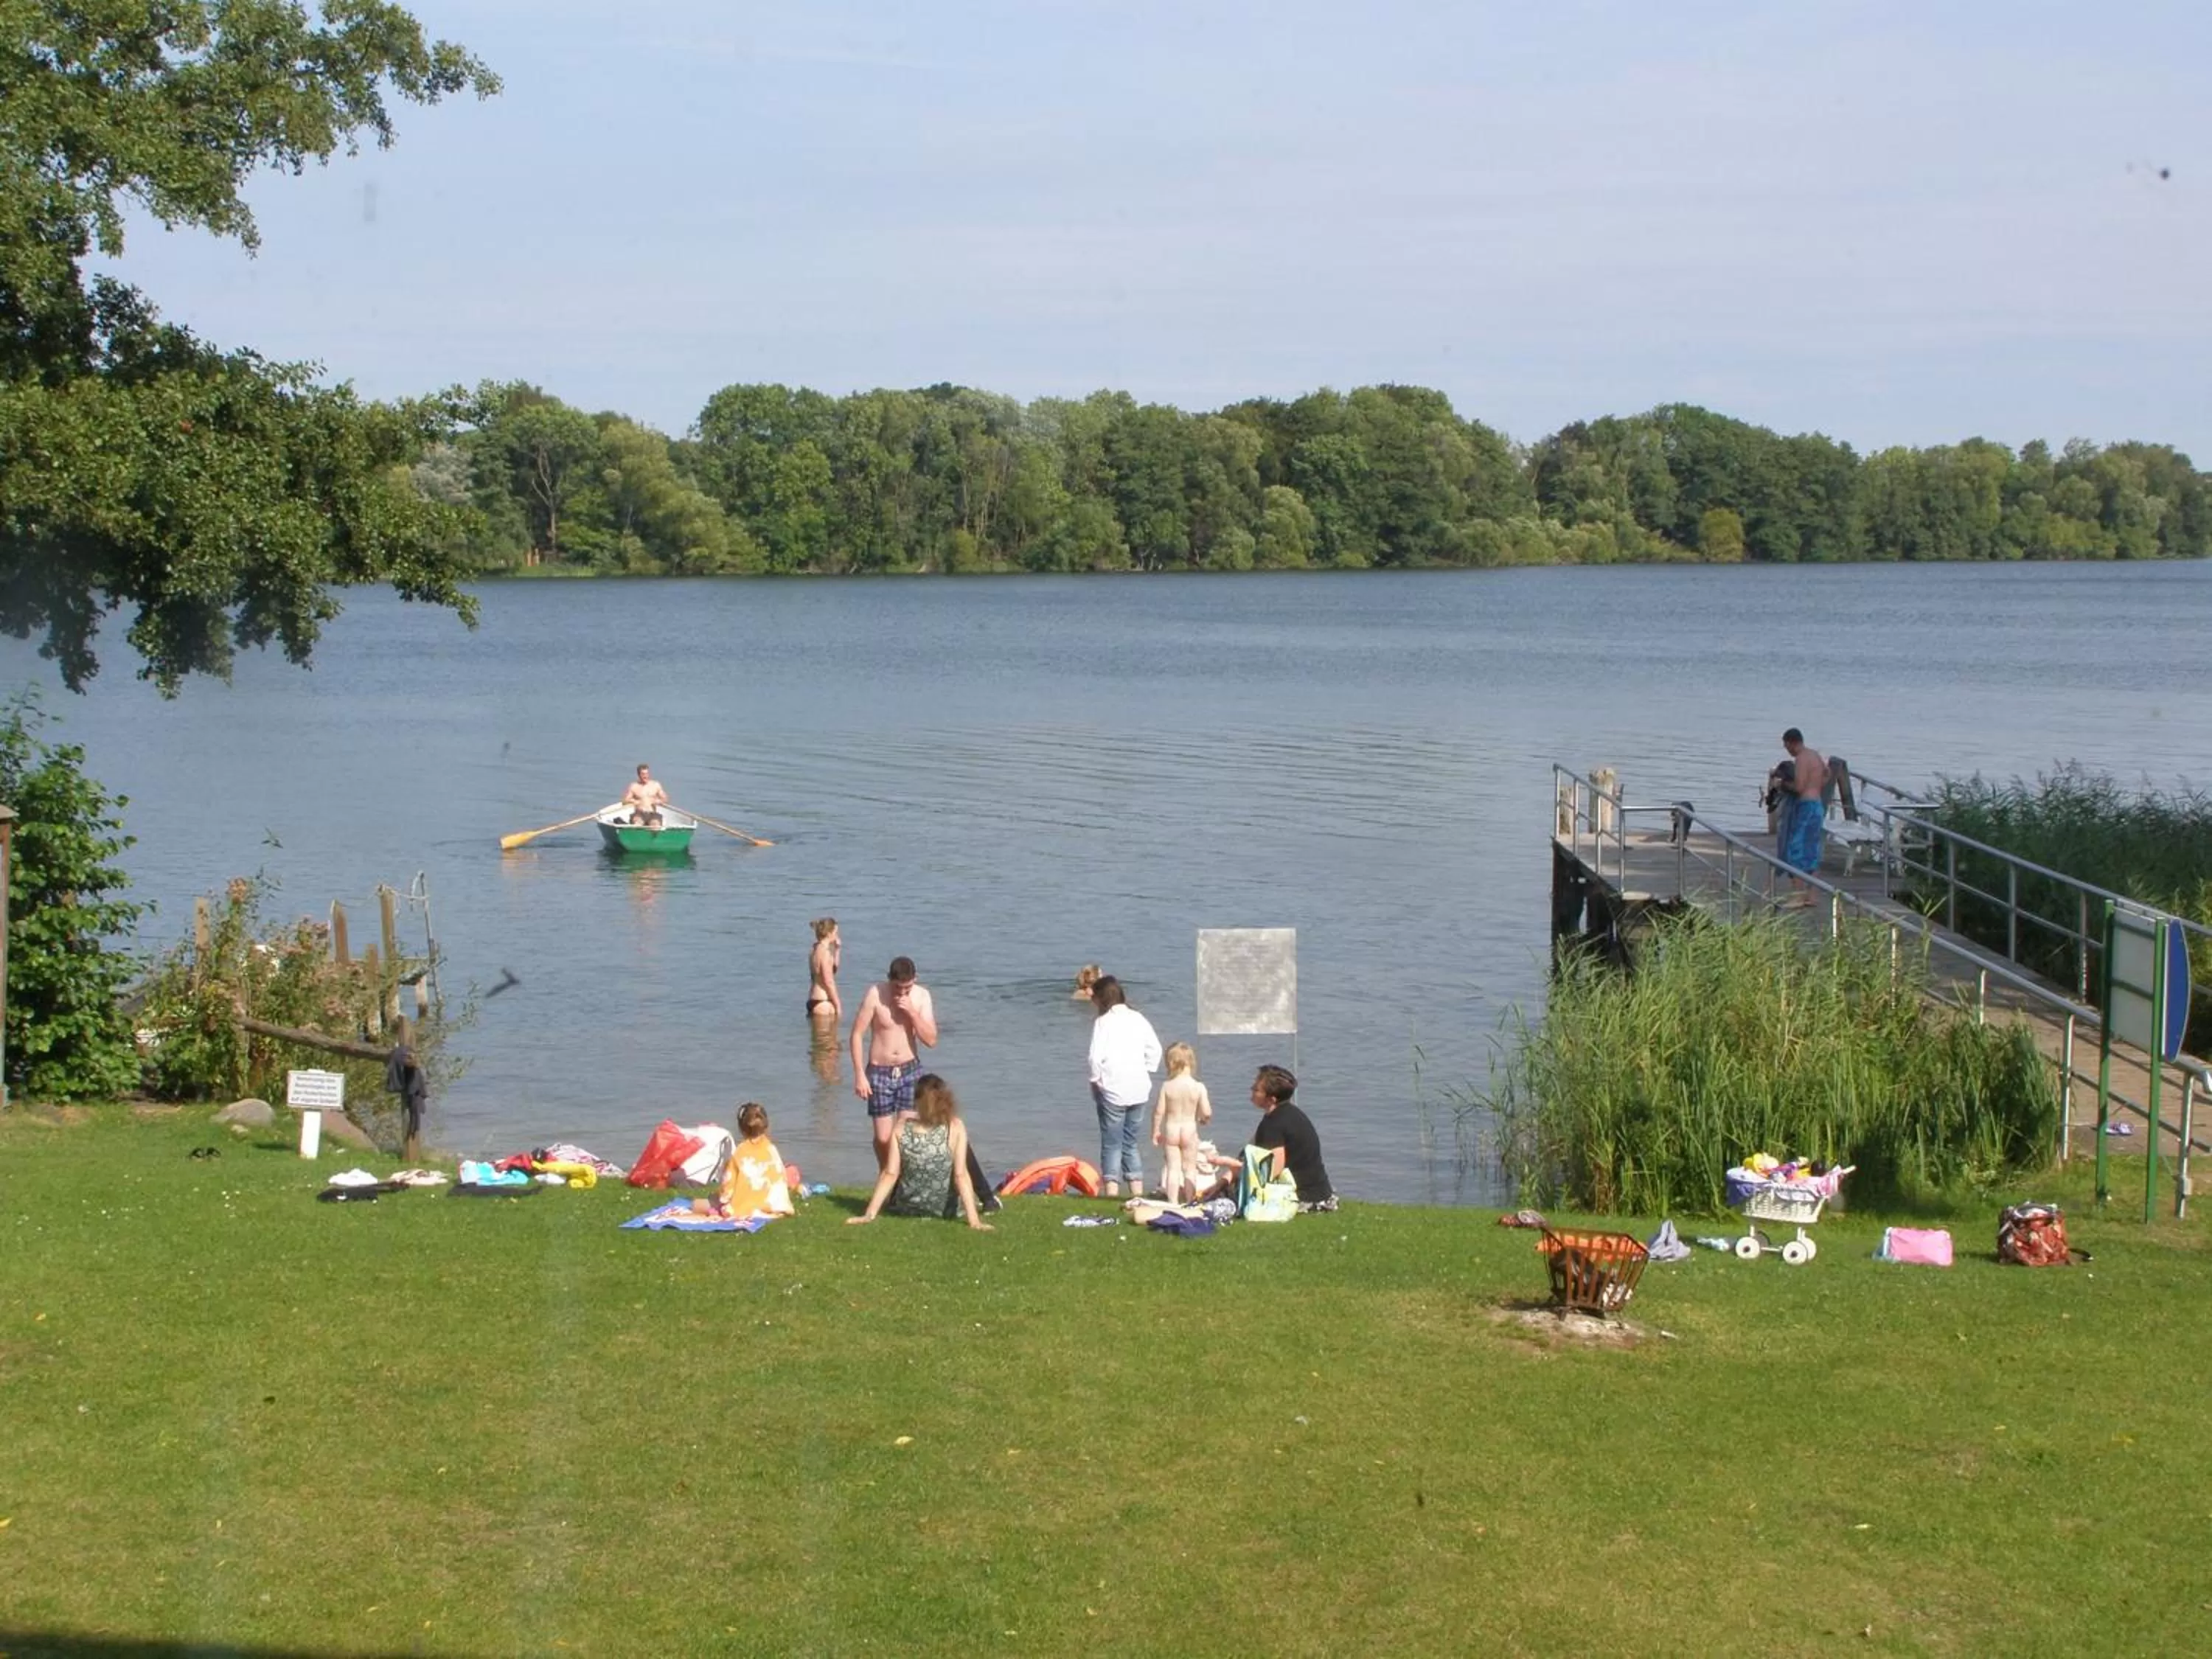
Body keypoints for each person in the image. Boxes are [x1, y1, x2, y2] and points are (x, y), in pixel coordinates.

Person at [846, 1074, 994, 1230]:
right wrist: (974, 1221)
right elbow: (960, 1175)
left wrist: (869, 1214)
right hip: (945, 1211)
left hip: (907, 1208)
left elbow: (890, 1174)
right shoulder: (955, 1127)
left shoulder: (902, 1127)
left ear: (917, 1102)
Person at [849, 956, 938, 1169]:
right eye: (898, 988)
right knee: (883, 1138)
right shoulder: (876, 994)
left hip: (910, 1071)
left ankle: (897, 1181)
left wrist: (911, 1012)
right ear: (890, 980)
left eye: (907, 988)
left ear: (915, 979)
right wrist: (860, 1075)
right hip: (879, 1072)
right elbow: (856, 1035)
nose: (902, 993)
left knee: (905, 1136)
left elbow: (931, 1040)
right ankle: (886, 1173)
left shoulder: (922, 997)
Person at [1086, 975, 1161, 1199]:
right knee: (1130, 1141)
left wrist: (1095, 1080)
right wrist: (1146, 1070)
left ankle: (1111, 1190)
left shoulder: (1103, 1022)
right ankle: (1137, 1189)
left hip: (1112, 1089)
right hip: (1139, 1088)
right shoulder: (1138, 1018)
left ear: (1101, 999)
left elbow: (1094, 1058)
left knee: (1111, 1142)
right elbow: (1155, 1050)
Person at [1245, 1064, 1336, 1213]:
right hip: (1322, 1193)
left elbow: (1275, 1168)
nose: (1251, 1090)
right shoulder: (1290, 1114)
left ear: (1271, 1099)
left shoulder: (1274, 1124)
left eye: (1256, 1089)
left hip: (1304, 1197)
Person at [691, 1102, 794, 1221]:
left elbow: (726, 1193)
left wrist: (716, 1198)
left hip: (744, 1208)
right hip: (776, 1205)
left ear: (741, 1128)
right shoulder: (772, 1149)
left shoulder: (740, 1153)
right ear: (766, 1126)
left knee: (697, 1204)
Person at [1151, 1042, 1212, 1203]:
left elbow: (1159, 1111)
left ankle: (1172, 1202)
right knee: (1190, 1169)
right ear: (1191, 1062)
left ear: (1171, 1063)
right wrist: (1203, 1120)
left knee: (1173, 1168)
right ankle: (1189, 1200)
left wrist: (1156, 1131)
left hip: (1172, 1129)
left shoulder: (1167, 1086)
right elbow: (1207, 1112)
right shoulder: (1198, 1087)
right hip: (1189, 1130)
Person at [1777, 728, 1830, 903]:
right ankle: (1812, 896)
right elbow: (1826, 777)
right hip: (1817, 805)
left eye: (1787, 747)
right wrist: (1814, 786)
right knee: (1812, 851)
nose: (1788, 751)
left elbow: (1799, 787)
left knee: (1795, 850)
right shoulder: (1815, 755)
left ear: (1792, 743)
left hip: (1806, 807)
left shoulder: (1801, 759)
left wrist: (1783, 784)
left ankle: (1798, 896)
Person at [807, 917, 843, 1022]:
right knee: (828, 1038)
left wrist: (837, 950)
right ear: (829, 934)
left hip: (814, 998)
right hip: (824, 1002)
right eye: (836, 932)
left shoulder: (814, 950)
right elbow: (829, 981)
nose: (837, 936)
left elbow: (832, 971)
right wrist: (838, 1005)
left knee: (817, 1038)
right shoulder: (825, 954)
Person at [620, 762, 668, 827]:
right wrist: (634, 801)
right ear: (639, 775)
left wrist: (659, 801)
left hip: (652, 814)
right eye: (643, 774)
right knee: (637, 825)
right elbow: (625, 801)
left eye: (647, 774)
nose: (645, 776)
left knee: (656, 825)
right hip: (639, 814)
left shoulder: (656, 785)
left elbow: (665, 799)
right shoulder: (634, 786)